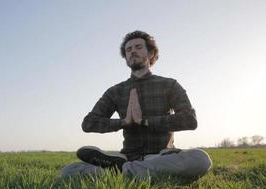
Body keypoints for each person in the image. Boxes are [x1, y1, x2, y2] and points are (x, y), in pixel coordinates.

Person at [61, 30, 212, 179]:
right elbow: (88, 124)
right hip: (128, 156)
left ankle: (119, 171)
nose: (133, 51)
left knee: (200, 159)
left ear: (151, 54)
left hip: (161, 157)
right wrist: (123, 122)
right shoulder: (115, 91)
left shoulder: (169, 85)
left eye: (138, 47)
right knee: (69, 170)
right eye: (128, 49)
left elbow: (190, 120)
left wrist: (145, 121)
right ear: (125, 57)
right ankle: (133, 170)